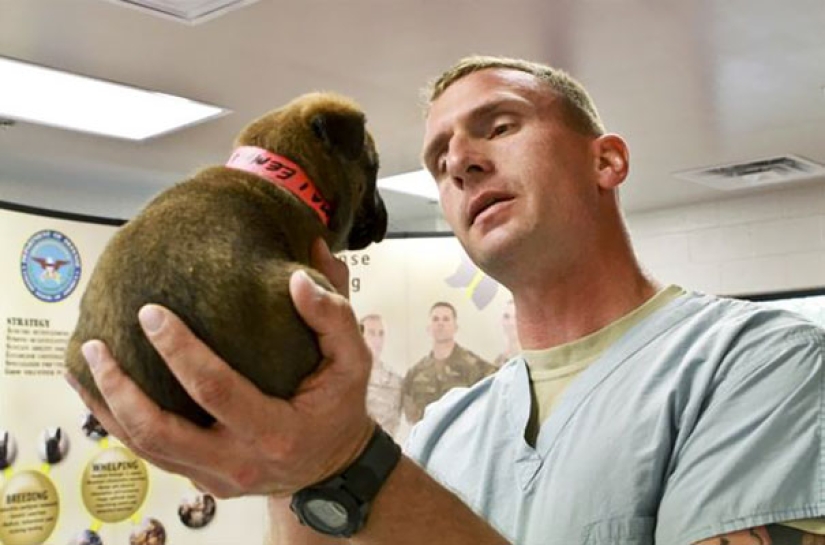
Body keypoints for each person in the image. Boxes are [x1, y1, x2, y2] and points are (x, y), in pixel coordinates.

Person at [66, 55, 825, 544]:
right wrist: (282, 444)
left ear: (606, 160)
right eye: (437, 160)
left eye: (498, 126)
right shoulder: (444, 431)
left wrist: (341, 464)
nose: (459, 161)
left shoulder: (765, 365)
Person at [402, 301, 496, 424]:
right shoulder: (415, 373)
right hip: (428, 440)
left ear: (455, 327)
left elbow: (492, 400)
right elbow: (411, 415)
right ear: (428, 328)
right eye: (435, 319)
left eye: (446, 319)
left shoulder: (476, 367)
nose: (440, 323)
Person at [359, 313, 404, 437]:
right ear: (360, 336)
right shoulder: (349, 377)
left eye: (381, 334)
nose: (377, 339)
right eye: (371, 333)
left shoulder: (396, 380)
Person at [492, 299, 519, 367]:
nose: (511, 323)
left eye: (517, 317)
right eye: (506, 317)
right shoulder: (499, 359)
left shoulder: (530, 358)